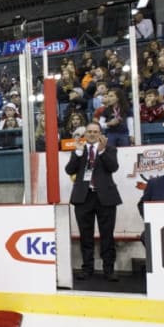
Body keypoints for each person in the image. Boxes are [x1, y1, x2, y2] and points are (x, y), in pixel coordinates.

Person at [65, 121, 122, 282]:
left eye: (95, 132)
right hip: (83, 197)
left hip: (105, 197)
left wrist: (102, 151)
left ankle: (109, 270)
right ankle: (87, 268)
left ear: (100, 134)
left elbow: (113, 167)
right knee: (86, 236)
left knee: (107, 235)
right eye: (89, 131)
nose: (91, 134)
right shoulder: (79, 151)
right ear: (85, 134)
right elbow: (69, 170)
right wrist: (77, 152)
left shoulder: (109, 149)